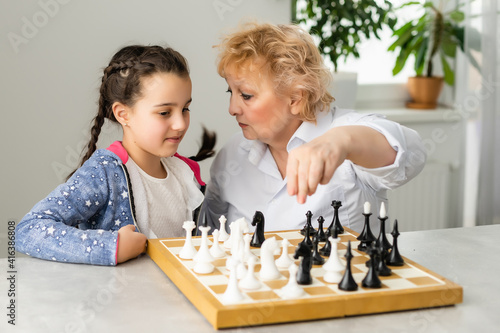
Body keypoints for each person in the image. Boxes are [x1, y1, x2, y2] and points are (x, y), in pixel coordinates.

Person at [201, 22, 426, 234]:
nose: (232, 109)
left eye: (246, 95)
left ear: (296, 98)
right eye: (231, 92)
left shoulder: (346, 133)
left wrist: (342, 141)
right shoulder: (232, 154)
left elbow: (411, 155)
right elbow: (210, 232)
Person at [15, 45, 215, 265]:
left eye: (185, 109)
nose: (180, 124)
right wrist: (110, 247)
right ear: (123, 114)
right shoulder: (105, 172)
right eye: (165, 112)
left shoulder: (184, 173)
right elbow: (28, 230)